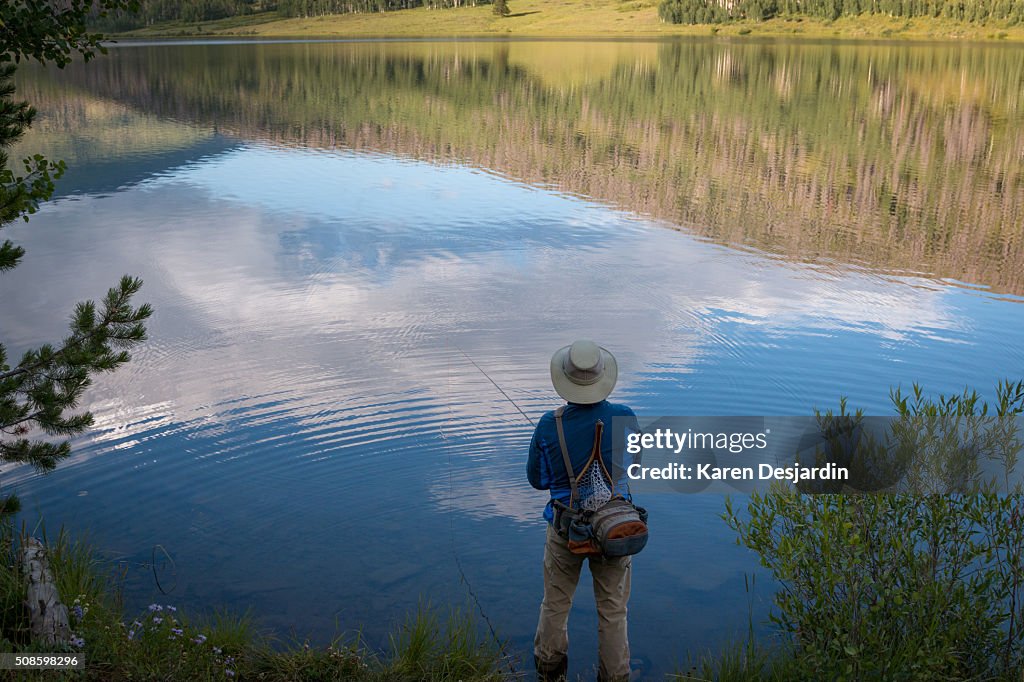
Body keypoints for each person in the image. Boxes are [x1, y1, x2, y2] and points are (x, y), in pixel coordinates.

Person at [527, 339, 640, 682]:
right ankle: (616, 675)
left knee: (555, 604)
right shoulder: (624, 416)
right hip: (615, 529)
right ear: (603, 377)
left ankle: (549, 670)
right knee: (613, 610)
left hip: (566, 532)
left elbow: (537, 480)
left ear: (565, 380)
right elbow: (634, 466)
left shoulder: (550, 424)